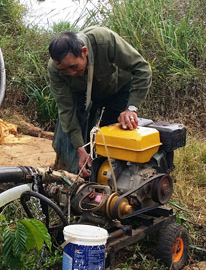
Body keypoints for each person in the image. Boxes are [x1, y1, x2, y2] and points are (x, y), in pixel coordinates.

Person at [47, 26, 152, 178]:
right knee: (68, 142)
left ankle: (112, 178)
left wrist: (131, 108)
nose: (71, 73)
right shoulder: (55, 69)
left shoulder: (104, 40)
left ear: (84, 52)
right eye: (65, 70)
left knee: (111, 138)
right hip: (81, 95)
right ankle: (74, 177)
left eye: (73, 67)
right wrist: (79, 147)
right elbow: (66, 110)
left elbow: (142, 69)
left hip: (117, 89)